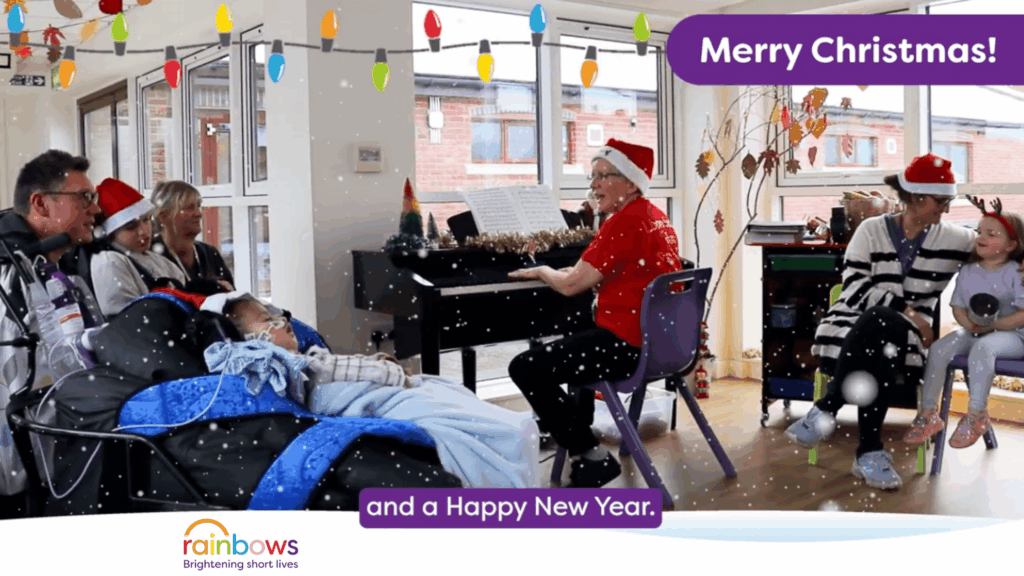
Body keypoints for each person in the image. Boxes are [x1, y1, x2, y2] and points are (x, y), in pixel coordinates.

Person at [209, 292, 541, 489]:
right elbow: (383, 377)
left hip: (373, 390)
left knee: (448, 391)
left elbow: (353, 369)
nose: (284, 322)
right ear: (254, 341)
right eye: (270, 320)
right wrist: (392, 370)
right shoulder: (303, 364)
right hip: (385, 397)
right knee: (482, 421)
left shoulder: (298, 364)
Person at [785, 153, 977, 490]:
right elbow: (856, 285)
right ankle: (868, 453)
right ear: (916, 198)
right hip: (853, 318)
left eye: (949, 202)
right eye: (941, 201)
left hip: (905, 333)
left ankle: (827, 408)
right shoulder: (871, 230)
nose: (946, 209)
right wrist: (914, 315)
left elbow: (1001, 246)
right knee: (882, 327)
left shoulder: (956, 238)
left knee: (886, 333)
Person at [505, 138, 682, 488]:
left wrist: (542, 271)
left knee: (525, 367)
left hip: (626, 348)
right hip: (663, 347)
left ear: (631, 183)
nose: (595, 184)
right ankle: (578, 427)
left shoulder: (622, 223)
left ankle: (589, 453)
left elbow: (571, 284)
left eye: (605, 176)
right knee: (578, 331)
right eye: (593, 176)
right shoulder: (655, 217)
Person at [0, 150, 102, 503]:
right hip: (32, 479)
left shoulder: (52, 268)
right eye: (85, 197)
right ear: (40, 205)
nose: (96, 208)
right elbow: (26, 386)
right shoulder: (12, 276)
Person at [904, 198, 1024, 449]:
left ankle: (976, 415)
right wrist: (968, 325)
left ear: (1011, 244)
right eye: (980, 231)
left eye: (992, 234)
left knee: (984, 349)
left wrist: (994, 326)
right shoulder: (968, 271)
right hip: (975, 332)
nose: (981, 237)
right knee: (938, 349)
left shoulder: (1016, 271)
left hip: (1014, 336)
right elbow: (958, 307)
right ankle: (928, 415)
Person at [90, 178, 188, 317]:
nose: (143, 231)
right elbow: (126, 319)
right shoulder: (110, 261)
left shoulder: (162, 262)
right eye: (131, 227)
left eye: (146, 219)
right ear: (110, 234)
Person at [150, 180, 234, 293]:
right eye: (189, 208)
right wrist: (213, 287)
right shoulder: (150, 256)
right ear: (164, 216)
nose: (199, 214)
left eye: (198, 206)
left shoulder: (209, 253)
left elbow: (232, 298)